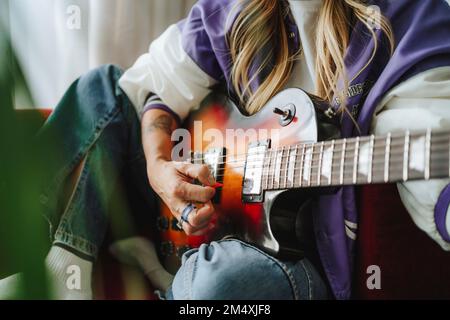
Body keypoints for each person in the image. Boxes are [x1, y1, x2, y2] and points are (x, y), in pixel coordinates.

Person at [1, 0, 450, 300]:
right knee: (101, 89)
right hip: (207, 216)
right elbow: (155, 85)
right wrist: (160, 168)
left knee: (222, 282)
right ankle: (58, 265)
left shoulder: (409, 25)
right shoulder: (236, 9)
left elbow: (432, 140)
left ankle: (166, 275)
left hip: (286, 262)